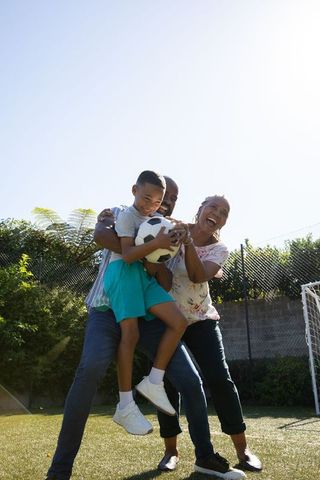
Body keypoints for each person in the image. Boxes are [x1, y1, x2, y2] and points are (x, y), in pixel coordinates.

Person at [45, 177, 246, 480]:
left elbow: (164, 280)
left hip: (148, 316)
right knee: (91, 370)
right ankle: (59, 471)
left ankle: (205, 457)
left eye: (172, 198)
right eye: (162, 196)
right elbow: (102, 236)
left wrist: (156, 259)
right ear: (141, 192)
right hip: (107, 309)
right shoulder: (120, 211)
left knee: (191, 381)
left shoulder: (171, 230)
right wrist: (146, 248)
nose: (166, 202)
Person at [154, 195, 262, 473]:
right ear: (200, 209)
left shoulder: (220, 248)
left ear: (224, 222)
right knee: (166, 382)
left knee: (220, 379)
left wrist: (188, 244)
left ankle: (243, 449)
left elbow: (198, 276)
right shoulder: (173, 229)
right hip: (168, 320)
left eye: (224, 212)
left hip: (201, 319)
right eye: (212, 207)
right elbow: (147, 241)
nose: (217, 213)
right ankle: (171, 451)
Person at [103, 170, 187, 435]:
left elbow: (152, 262)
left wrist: (170, 240)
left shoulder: (155, 220)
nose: (150, 204)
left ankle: (154, 380)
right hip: (123, 273)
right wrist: (159, 242)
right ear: (134, 190)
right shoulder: (127, 216)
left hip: (142, 277)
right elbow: (127, 255)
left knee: (178, 322)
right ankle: (125, 405)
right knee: (131, 334)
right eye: (146, 197)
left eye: (156, 201)